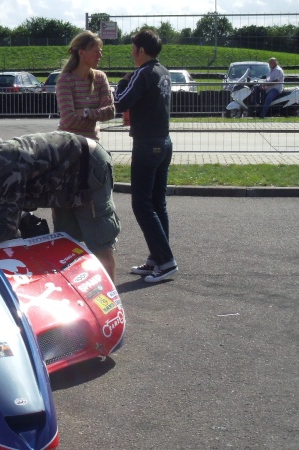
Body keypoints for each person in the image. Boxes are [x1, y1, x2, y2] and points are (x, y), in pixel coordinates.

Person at [0, 131, 120, 280]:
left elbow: (5, 226)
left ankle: (110, 303)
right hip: (64, 181)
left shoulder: (3, 165)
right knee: (65, 241)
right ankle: (81, 293)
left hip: (87, 165)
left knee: (98, 240)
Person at [113, 28, 178, 283]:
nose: (132, 53)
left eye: (133, 48)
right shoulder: (164, 72)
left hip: (146, 144)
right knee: (157, 202)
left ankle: (166, 261)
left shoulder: (143, 73)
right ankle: (157, 256)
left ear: (140, 50)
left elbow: (121, 102)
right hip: (164, 143)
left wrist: (121, 82)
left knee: (141, 203)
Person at [56, 30, 116, 141]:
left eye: (100, 51)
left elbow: (110, 112)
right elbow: (69, 120)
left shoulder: (100, 78)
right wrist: (95, 118)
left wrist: (85, 112)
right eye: (96, 52)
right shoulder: (65, 81)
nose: (100, 55)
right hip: (69, 145)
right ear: (81, 53)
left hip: (93, 147)